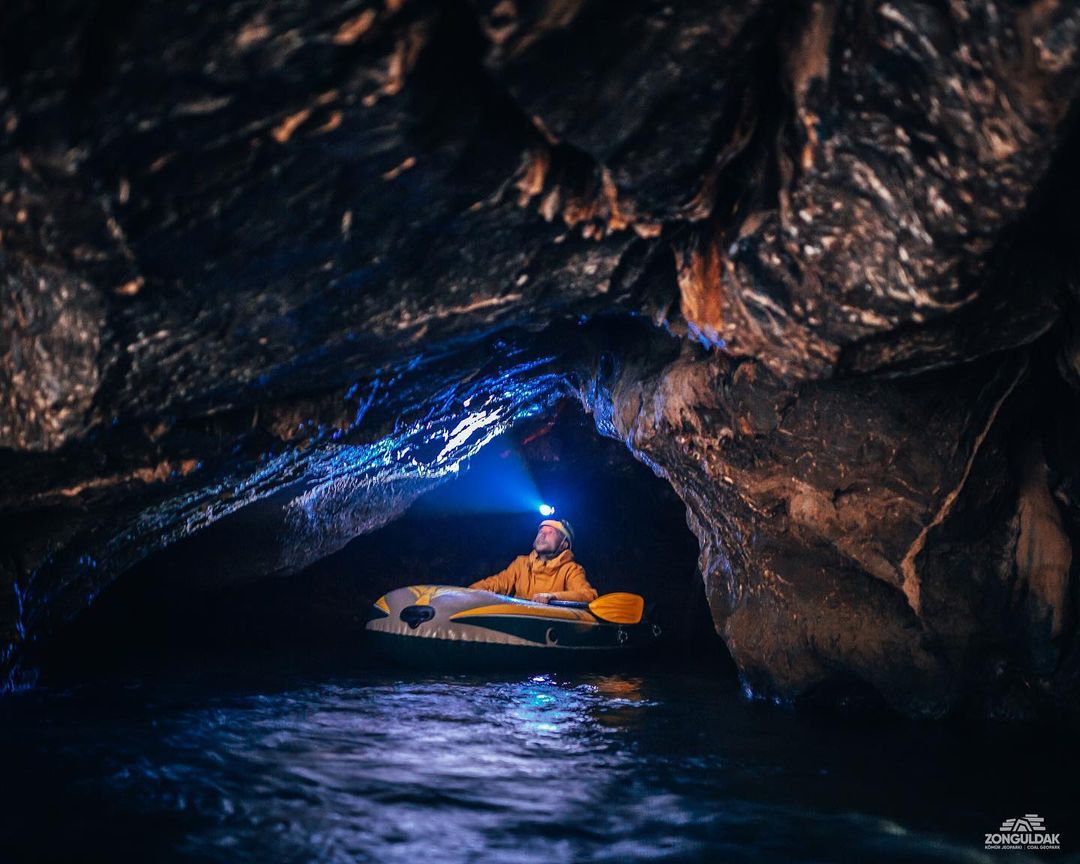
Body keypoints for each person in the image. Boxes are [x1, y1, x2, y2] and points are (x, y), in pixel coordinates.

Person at [469, 518, 598, 603]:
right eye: (541, 531)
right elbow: (497, 584)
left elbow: (587, 595)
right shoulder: (521, 563)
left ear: (564, 545)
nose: (542, 535)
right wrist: (466, 592)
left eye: (550, 533)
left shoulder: (571, 569)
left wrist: (553, 596)